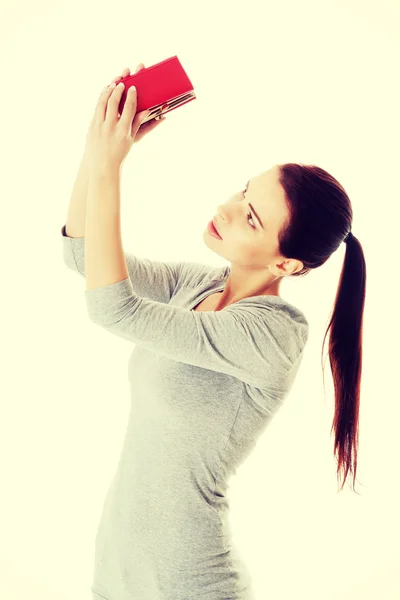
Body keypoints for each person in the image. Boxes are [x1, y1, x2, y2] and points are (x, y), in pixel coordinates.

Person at [63, 89, 366, 598]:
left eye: (252, 218)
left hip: (191, 581)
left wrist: (109, 171)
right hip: (117, 569)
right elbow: (82, 255)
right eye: (242, 193)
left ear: (287, 265)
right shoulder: (198, 285)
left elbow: (112, 307)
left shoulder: (274, 333)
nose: (225, 210)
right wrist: (99, 150)